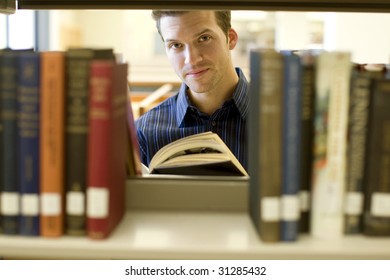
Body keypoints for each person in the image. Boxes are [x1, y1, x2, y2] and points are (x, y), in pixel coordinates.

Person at [135, 10, 249, 170]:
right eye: (176, 45)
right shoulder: (143, 133)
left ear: (230, 38)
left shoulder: (283, 122)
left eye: (204, 38)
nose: (192, 59)